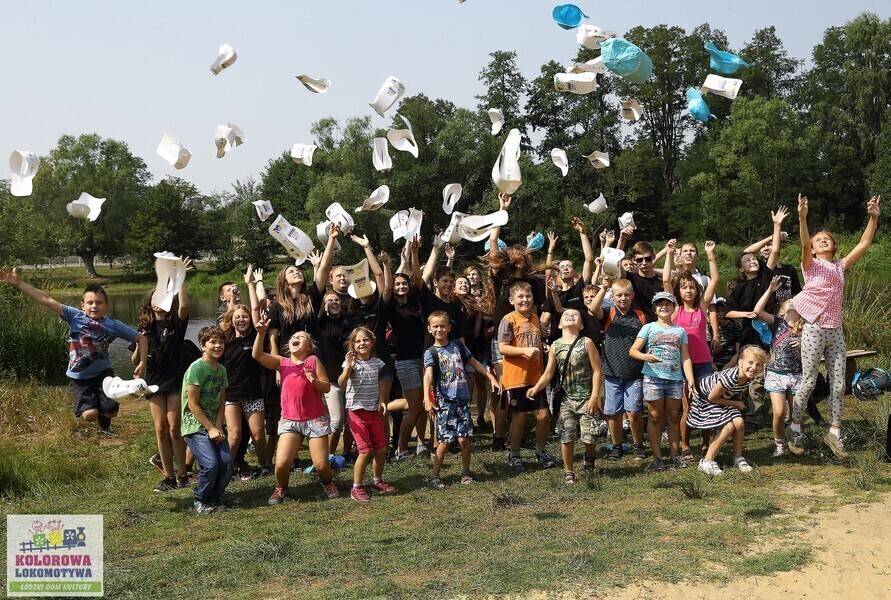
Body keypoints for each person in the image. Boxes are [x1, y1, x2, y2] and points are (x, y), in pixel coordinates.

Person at [787, 194, 881, 458]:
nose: (822, 240)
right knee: (807, 382)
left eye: (826, 238)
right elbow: (804, 245)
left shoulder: (840, 267)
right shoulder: (811, 266)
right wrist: (802, 218)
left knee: (839, 385)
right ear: (815, 249)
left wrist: (873, 218)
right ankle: (794, 426)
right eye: (819, 240)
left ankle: (835, 432)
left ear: (834, 246)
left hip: (836, 330)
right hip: (814, 329)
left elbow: (864, 243)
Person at [0, 270, 147, 434]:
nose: (94, 306)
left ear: (106, 305)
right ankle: (96, 408)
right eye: (90, 303)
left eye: (99, 302)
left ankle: (105, 414)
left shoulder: (113, 325)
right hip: (80, 376)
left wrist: (142, 363)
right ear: (82, 305)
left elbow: (141, 339)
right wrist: (19, 284)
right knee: (90, 415)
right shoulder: (74, 316)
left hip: (104, 373)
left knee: (111, 411)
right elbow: (46, 299)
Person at [251, 319, 338, 504]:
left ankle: (327, 482)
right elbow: (257, 355)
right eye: (294, 337)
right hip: (290, 421)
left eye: (301, 337)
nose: (296, 338)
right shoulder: (282, 363)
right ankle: (281, 488)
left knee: (322, 465)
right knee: (281, 465)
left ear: (309, 347)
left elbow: (327, 388)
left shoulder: (313, 361)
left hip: (315, 420)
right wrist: (261, 333)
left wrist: (313, 380)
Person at [423, 311, 500, 488]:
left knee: (464, 439)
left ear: (449, 327)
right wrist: (427, 398)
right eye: (435, 326)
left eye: (443, 325)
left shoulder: (458, 345)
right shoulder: (431, 352)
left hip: (463, 399)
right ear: (429, 329)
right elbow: (428, 376)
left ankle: (466, 472)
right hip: (445, 401)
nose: (439, 329)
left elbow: (474, 362)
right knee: (445, 441)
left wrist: (491, 377)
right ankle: (434, 475)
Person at [134, 258, 192, 492]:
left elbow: (185, 308)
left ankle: (183, 474)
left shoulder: (175, 323)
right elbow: (134, 359)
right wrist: (139, 344)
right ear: (149, 303)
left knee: (174, 428)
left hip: (175, 379)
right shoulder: (143, 328)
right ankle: (168, 477)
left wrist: (180, 280)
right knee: (160, 430)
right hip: (154, 382)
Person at [527, 309, 602, 484]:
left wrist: (595, 396)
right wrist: (536, 388)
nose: (570, 315)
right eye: (565, 314)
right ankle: (569, 471)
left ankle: (589, 456)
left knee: (589, 435)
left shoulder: (587, 342)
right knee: (567, 435)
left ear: (581, 325)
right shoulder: (555, 345)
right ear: (559, 324)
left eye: (575, 315)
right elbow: (548, 373)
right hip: (566, 400)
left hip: (586, 398)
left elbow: (597, 370)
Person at [662, 240, 720, 462]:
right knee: (685, 407)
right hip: (681, 365)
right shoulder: (675, 310)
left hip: (704, 362)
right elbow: (666, 279)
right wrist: (668, 254)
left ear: (697, 290)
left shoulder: (701, 307)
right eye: (684, 287)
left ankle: (706, 443)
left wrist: (710, 254)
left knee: (705, 403)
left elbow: (715, 279)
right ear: (679, 291)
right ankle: (686, 445)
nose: (688, 290)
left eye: (692, 287)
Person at [629, 291, 696, 471]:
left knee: (674, 417)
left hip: (675, 379)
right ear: (655, 308)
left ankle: (674, 456)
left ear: (674, 307)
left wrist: (690, 380)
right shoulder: (648, 327)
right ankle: (657, 457)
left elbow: (685, 357)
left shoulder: (680, 331)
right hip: (653, 378)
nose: (664, 307)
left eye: (668, 304)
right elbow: (633, 350)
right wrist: (645, 356)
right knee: (655, 417)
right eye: (660, 304)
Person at [498, 281, 556, 472]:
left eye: (528, 296)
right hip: (516, 378)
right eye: (520, 297)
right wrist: (524, 352)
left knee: (543, 416)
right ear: (511, 300)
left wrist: (543, 348)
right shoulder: (508, 319)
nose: (525, 300)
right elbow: (503, 347)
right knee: (520, 418)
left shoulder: (535, 318)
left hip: (536, 377)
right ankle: (514, 454)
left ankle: (540, 451)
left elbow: (536, 343)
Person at [687, 346, 770, 475]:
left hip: (721, 399)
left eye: (758, 365)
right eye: (750, 362)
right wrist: (735, 403)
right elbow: (712, 397)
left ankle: (737, 457)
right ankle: (707, 461)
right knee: (729, 426)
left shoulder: (748, 378)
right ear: (740, 362)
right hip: (705, 400)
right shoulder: (731, 377)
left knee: (739, 422)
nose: (754, 367)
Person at [590, 277, 648, 462]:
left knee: (634, 412)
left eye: (626, 295)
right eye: (618, 295)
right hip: (612, 372)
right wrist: (603, 288)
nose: (622, 298)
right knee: (613, 413)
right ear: (612, 297)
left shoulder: (640, 316)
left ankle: (638, 445)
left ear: (632, 296)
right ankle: (617, 446)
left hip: (635, 372)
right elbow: (592, 309)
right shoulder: (609, 313)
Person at [339, 326, 396, 501]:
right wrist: (348, 367)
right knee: (364, 451)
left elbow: (378, 384)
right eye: (357, 341)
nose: (362, 343)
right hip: (356, 413)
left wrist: (381, 400)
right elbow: (341, 382)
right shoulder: (351, 363)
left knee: (381, 448)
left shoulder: (377, 362)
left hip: (373, 411)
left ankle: (376, 481)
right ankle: (356, 487)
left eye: (365, 340)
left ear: (372, 342)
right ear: (352, 345)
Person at [385, 238, 429, 460]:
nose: (401, 286)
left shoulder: (415, 301)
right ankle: (400, 449)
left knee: (422, 404)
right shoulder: (391, 307)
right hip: (405, 361)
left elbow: (419, 275)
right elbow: (386, 283)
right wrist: (393, 265)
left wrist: (413, 254)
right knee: (415, 407)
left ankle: (421, 443)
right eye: (397, 284)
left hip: (424, 358)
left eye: (404, 283)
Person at [181, 325, 231, 514]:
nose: (218, 346)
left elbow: (221, 400)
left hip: (214, 425)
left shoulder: (222, 370)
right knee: (211, 464)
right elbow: (193, 404)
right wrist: (210, 428)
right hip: (195, 425)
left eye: (221, 342)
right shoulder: (196, 368)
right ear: (203, 346)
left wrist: (218, 426)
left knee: (226, 463)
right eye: (212, 342)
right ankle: (200, 499)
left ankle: (214, 497)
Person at [753, 277, 805, 457]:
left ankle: (795, 441)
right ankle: (779, 444)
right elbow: (757, 310)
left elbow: (809, 357)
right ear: (782, 310)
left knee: (797, 413)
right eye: (788, 301)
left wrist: (803, 347)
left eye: (795, 301)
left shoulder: (805, 328)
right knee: (779, 412)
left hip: (797, 374)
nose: (792, 302)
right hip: (776, 374)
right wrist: (769, 290)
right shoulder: (776, 323)